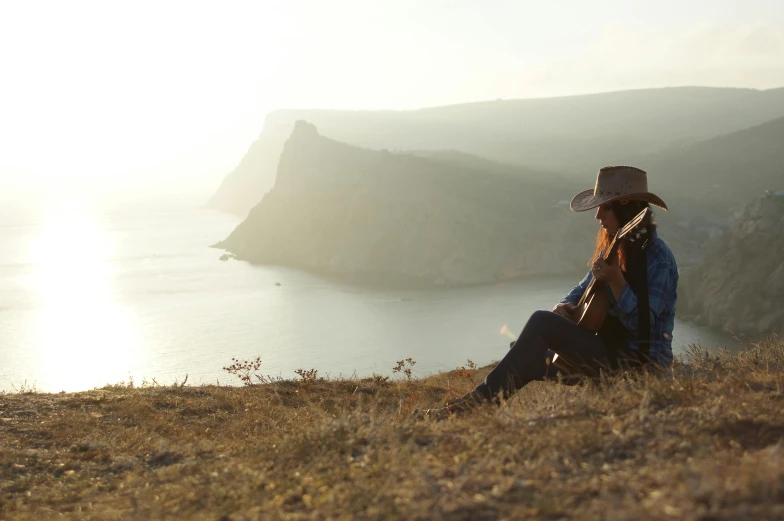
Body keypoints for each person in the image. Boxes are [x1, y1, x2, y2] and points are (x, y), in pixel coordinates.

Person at [416, 165, 678, 419]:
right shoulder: (613, 249)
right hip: (607, 355)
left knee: (539, 326)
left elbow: (647, 330)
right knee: (528, 352)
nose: (598, 216)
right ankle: (467, 410)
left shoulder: (658, 259)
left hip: (640, 366)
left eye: (604, 207)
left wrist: (617, 282)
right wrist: (564, 307)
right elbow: (582, 288)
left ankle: (464, 411)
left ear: (628, 208)